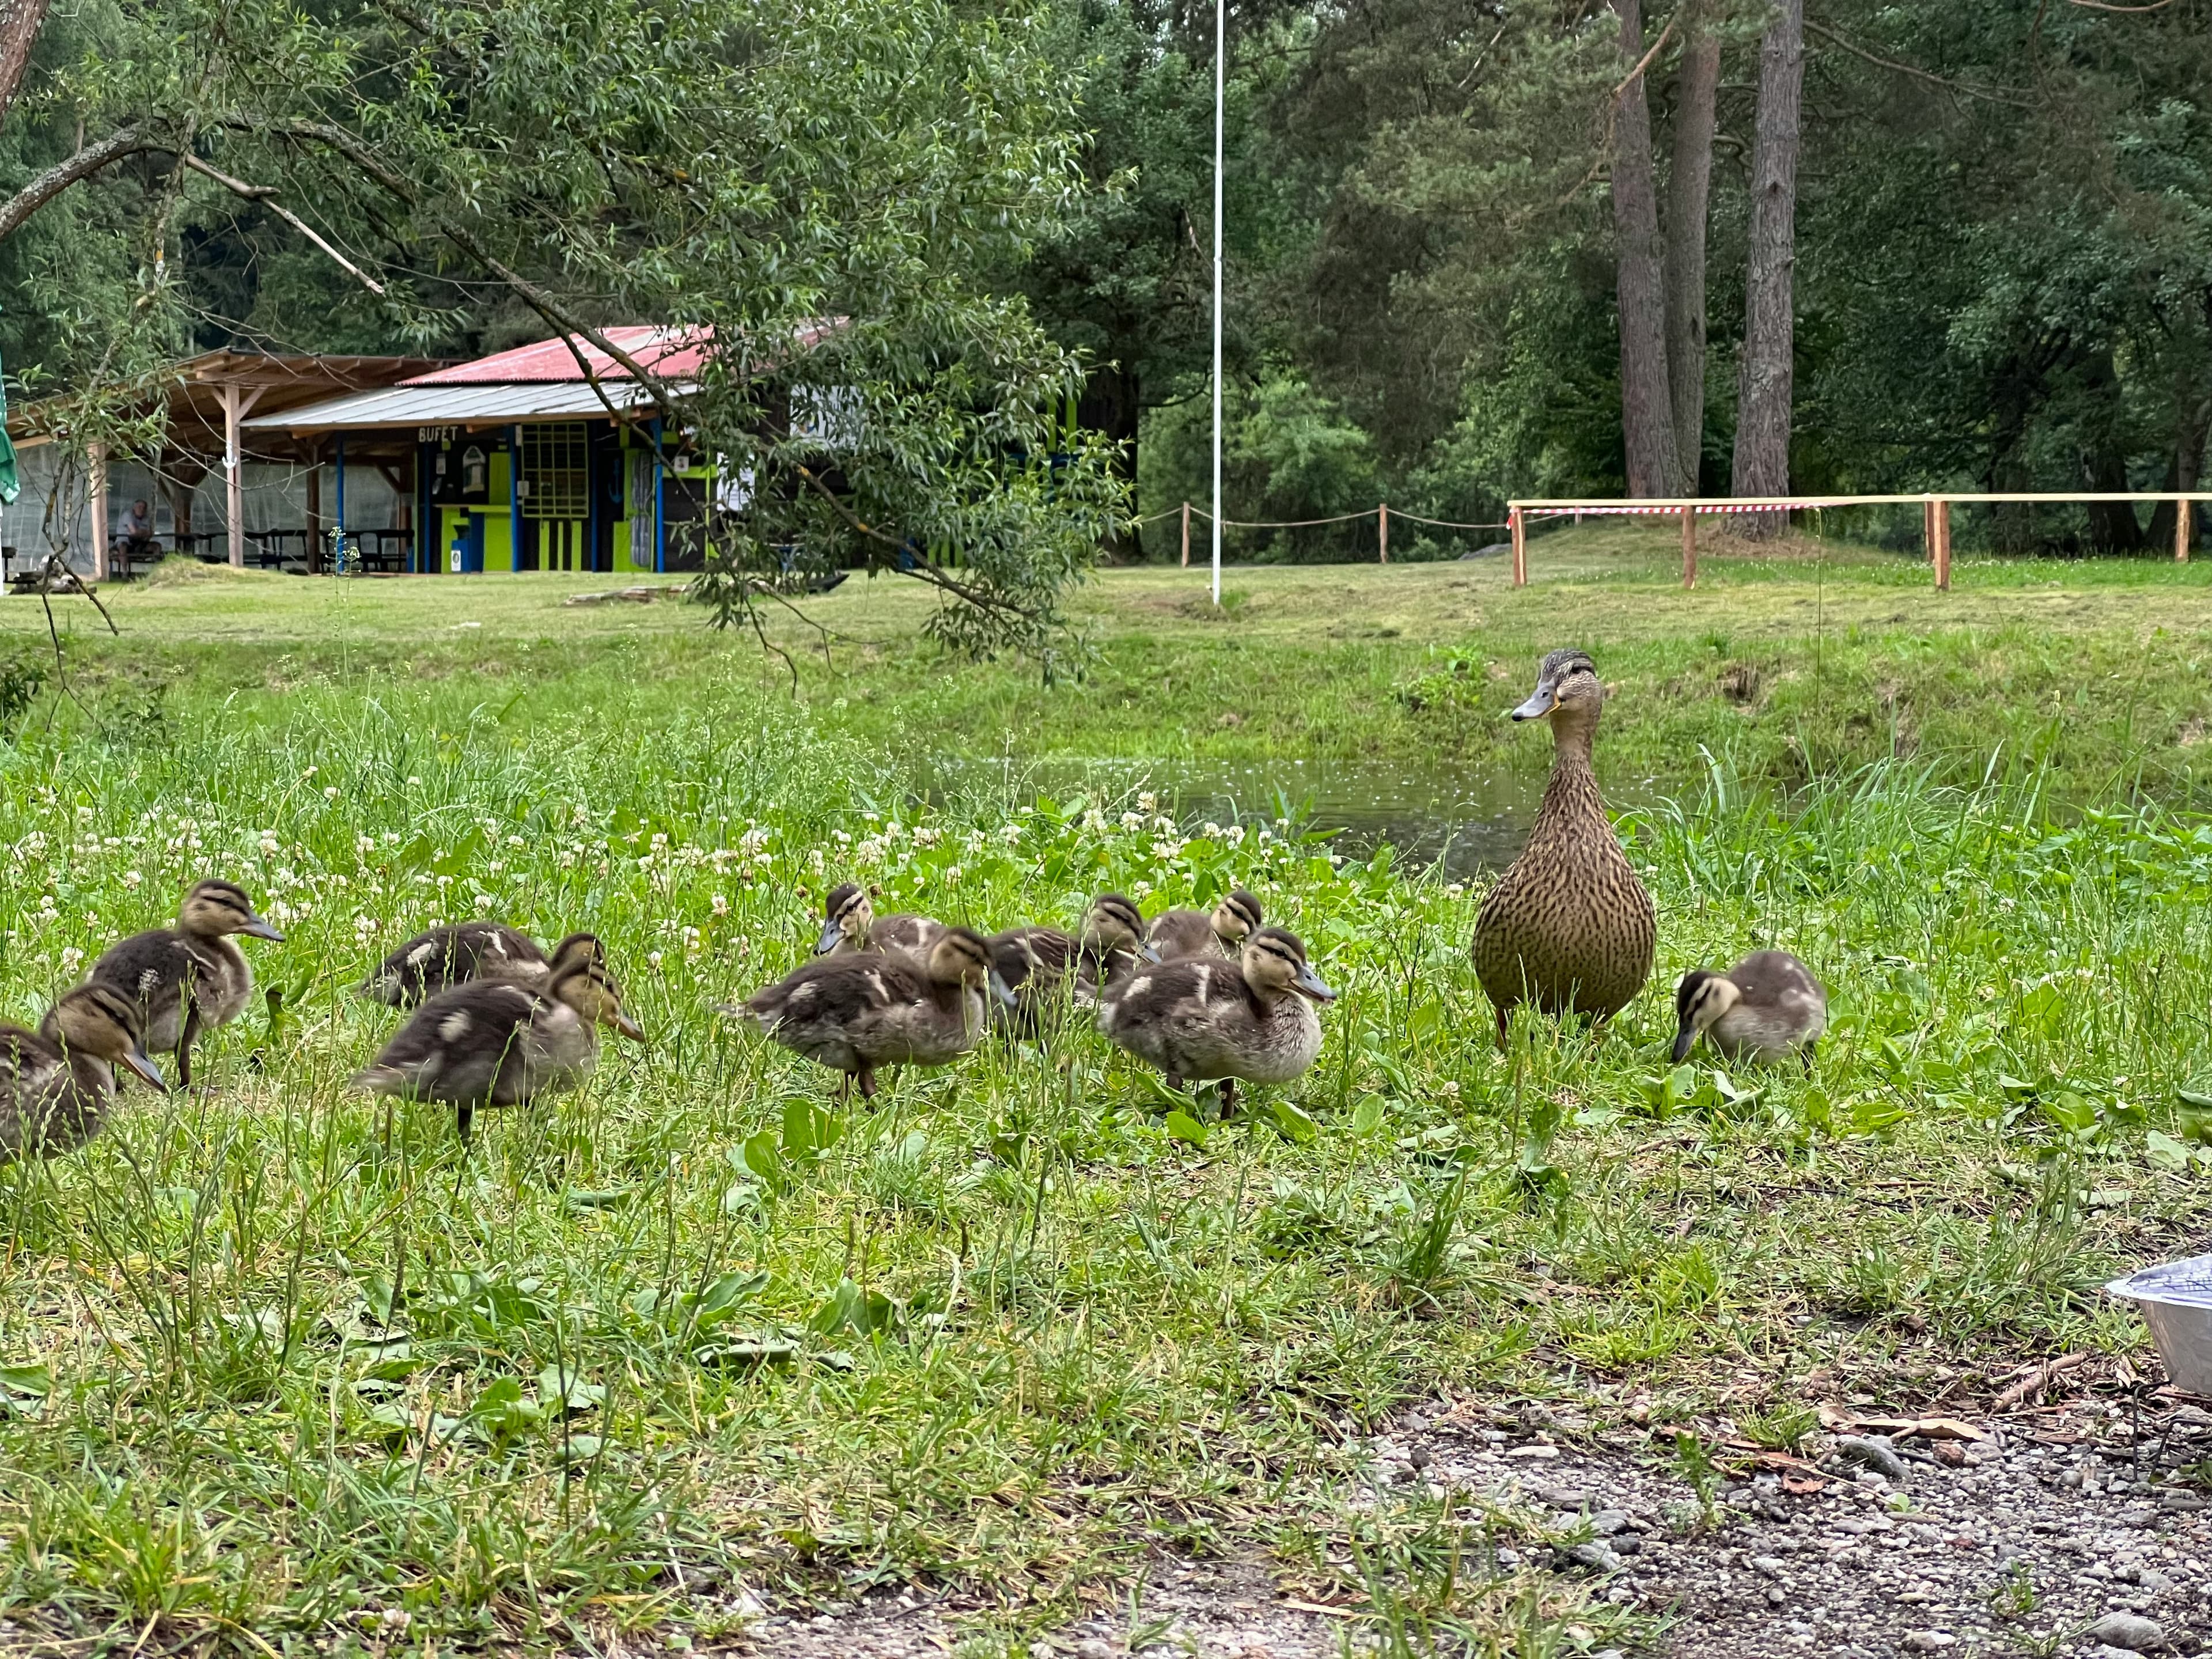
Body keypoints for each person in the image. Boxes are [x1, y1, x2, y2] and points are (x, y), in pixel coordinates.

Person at [115, 498, 155, 570]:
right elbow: (134, 531)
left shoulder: (146, 518)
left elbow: (150, 534)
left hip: (140, 541)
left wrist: (140, 533)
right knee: (123, 547)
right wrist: (143, 532)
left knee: (157, 546)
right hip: (125, 540)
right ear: (134, 508)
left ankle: (156, 570)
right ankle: (125, 572)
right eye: (140, 507)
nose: (142, 509)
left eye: (144, 508)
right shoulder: (128, 515)